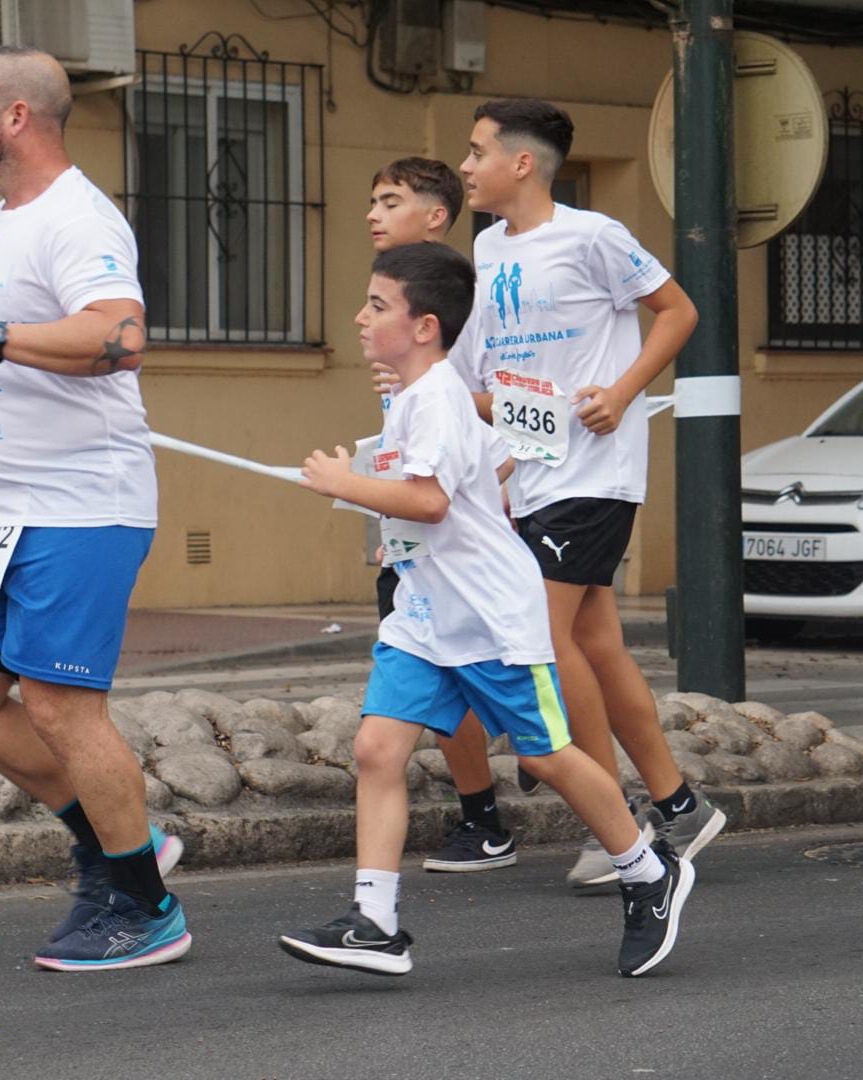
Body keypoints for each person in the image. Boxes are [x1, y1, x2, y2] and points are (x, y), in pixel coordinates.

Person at [279, 243, 694, 978]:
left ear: (424, 326)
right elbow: (457, 489)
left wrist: (342, 481)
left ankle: (647, 869)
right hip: (425, 618)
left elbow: (431, 499)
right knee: (377, 748)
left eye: (378, 306)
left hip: (493, 619)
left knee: (544, 755)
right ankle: (375, 921)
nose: (361, 317)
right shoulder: (418, 401)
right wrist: (387, 513)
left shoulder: (437, 396)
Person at [0, 46, 188, 971]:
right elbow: (13, 348)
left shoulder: (77, 217)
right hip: (4, 507)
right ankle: (112, 835)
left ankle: (146, 907)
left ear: (17, 117)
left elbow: (118, 335)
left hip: (81, 504)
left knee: (61, 706)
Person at [452, 98, 724, 890]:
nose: (466, 166)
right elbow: (491, 386)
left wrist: (623, 389)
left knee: (544, 631)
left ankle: (619, 828)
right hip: (535, 474)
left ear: (522, 162)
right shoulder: (488, 248)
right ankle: (680, 806)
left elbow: (678, 311)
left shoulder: (594, 235)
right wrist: (489, 446)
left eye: (476, 152)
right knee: (595, 640)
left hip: (594, 476)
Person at [368, 157, 517, 874]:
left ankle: (635, 843)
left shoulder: (460, 300)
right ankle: (478, 821)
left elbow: (507, 414)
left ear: (435, 215)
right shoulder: (390, 303)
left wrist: (485, 498)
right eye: (372, 201)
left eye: (390, 201)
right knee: (394, 721)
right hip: (423, 535)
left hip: (474, 541)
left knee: (546, 740)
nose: (373, 213)